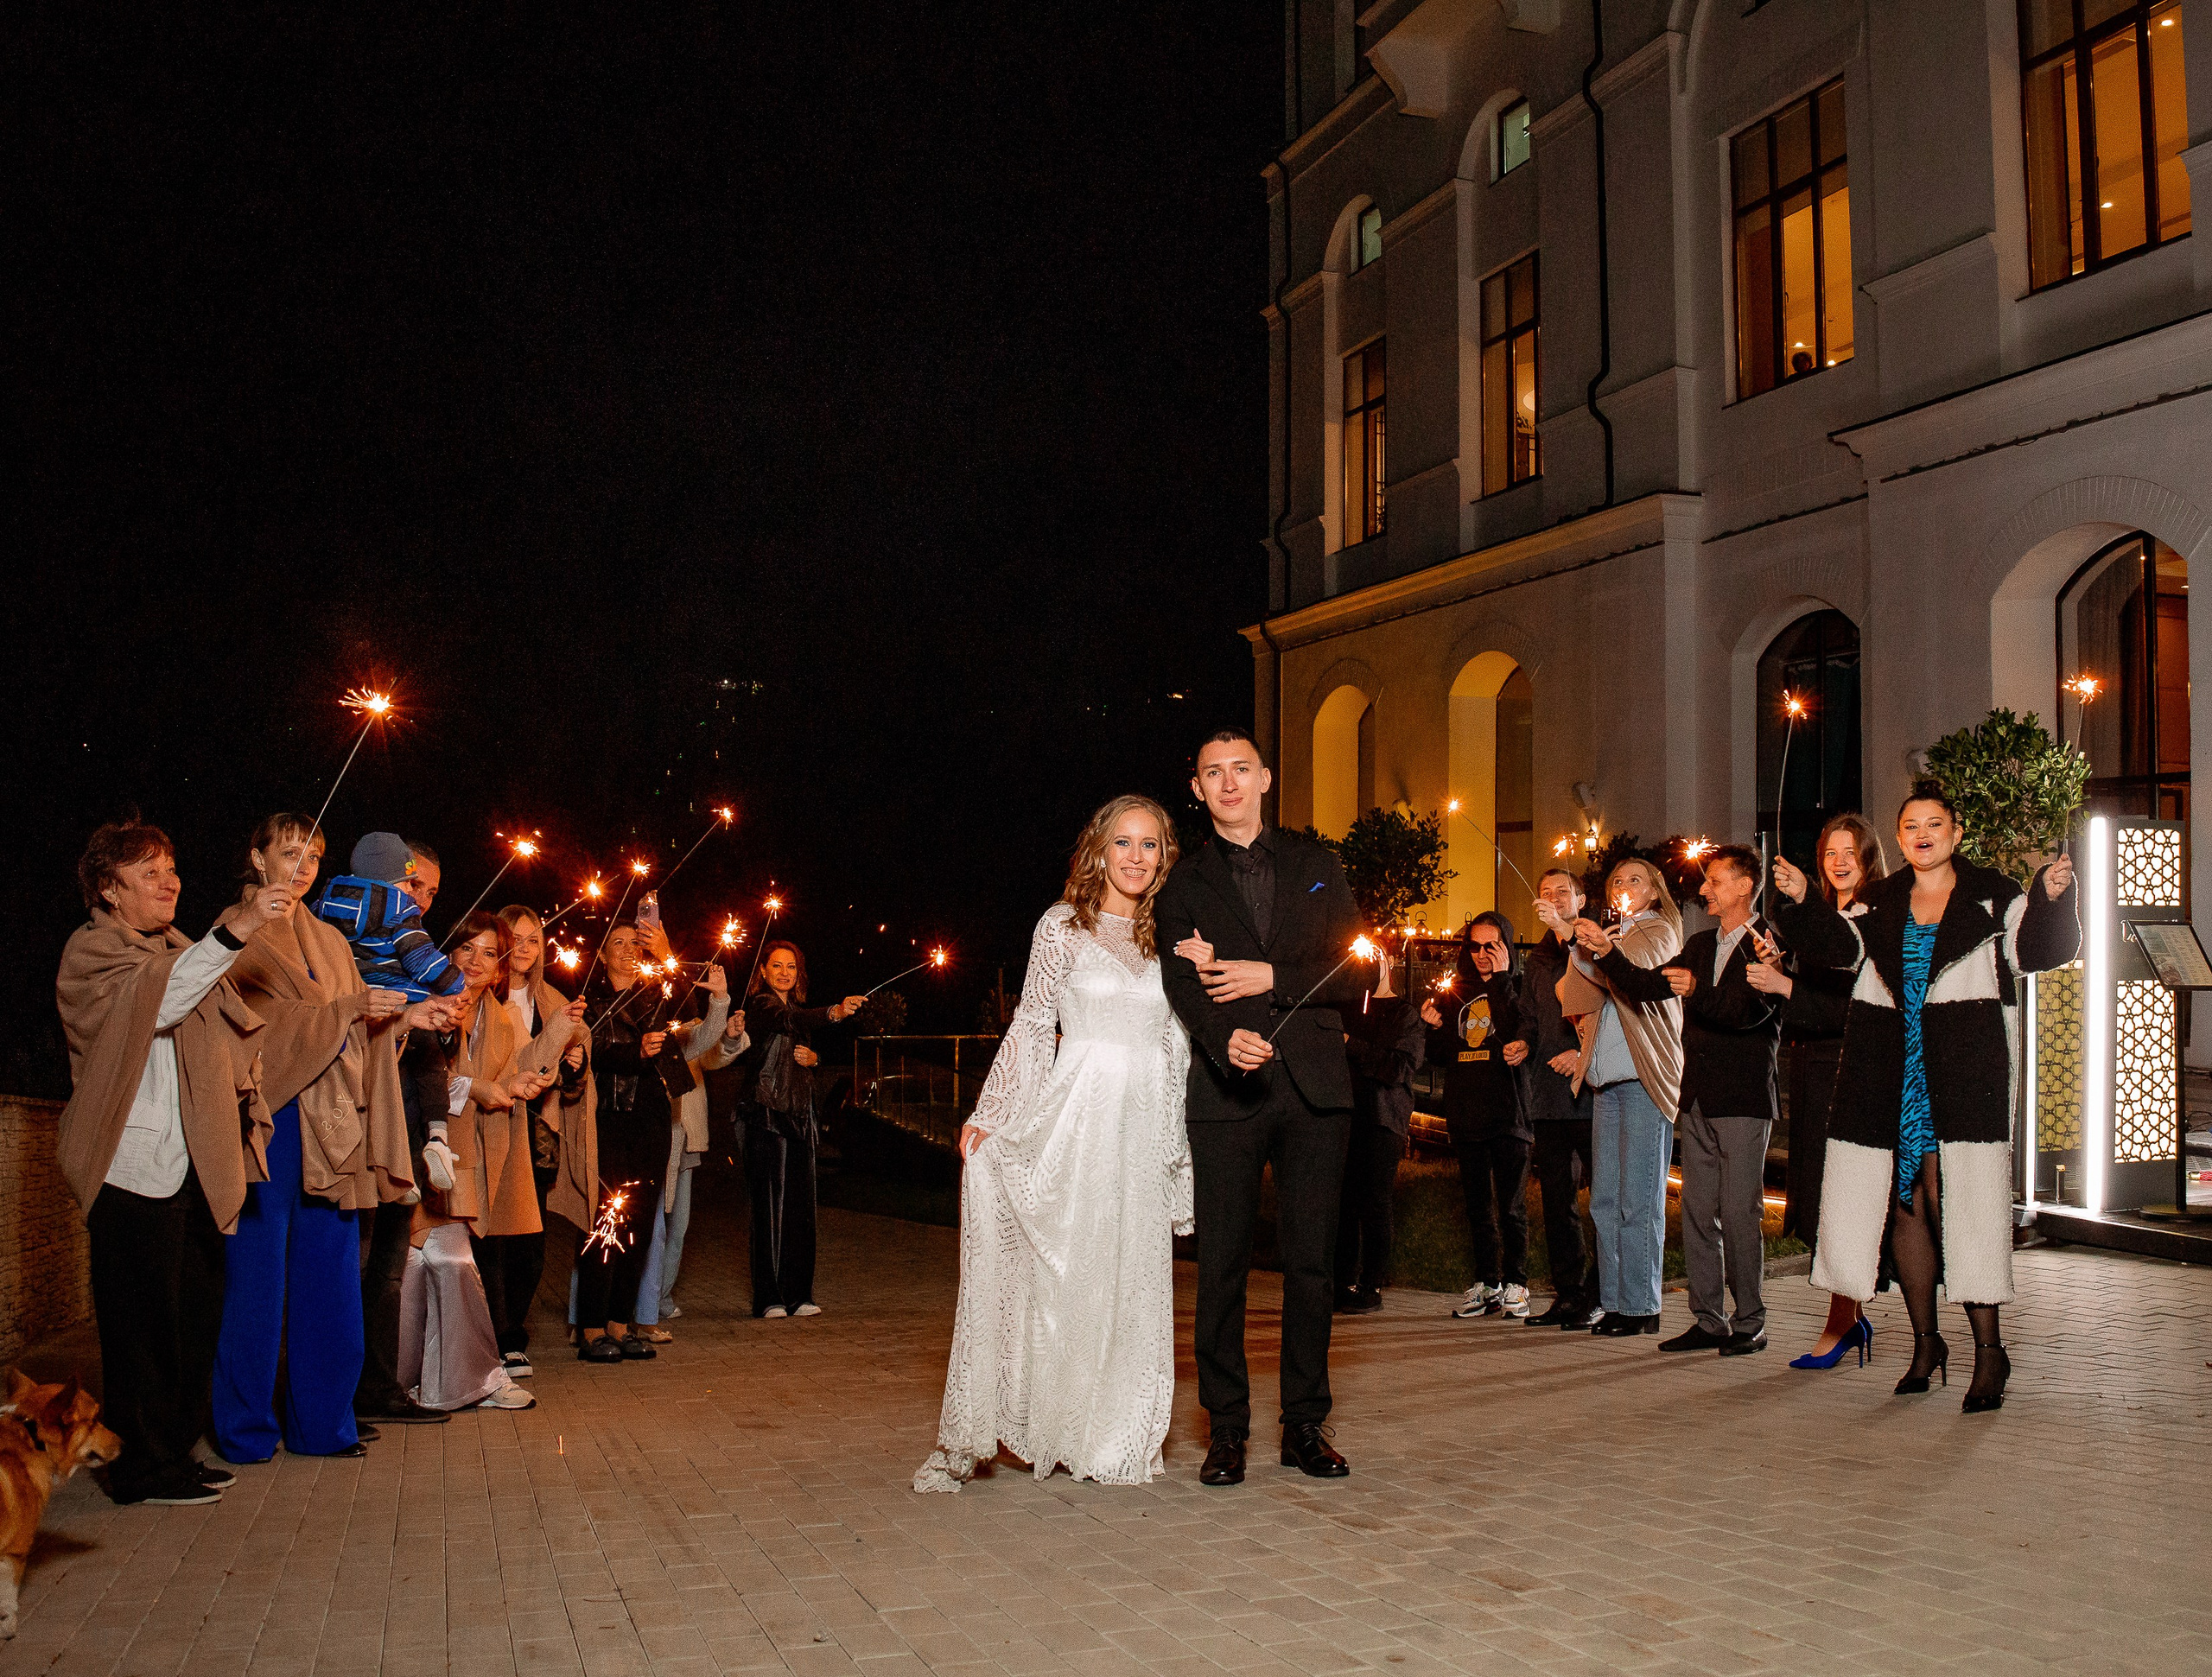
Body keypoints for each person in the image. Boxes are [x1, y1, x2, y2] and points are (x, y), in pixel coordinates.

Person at [915, 795, 1193, 1491]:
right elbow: (1035, 1025)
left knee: (1130, 1275)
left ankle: (1116, 1434)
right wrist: (994, 1111)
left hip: (1141, 1124)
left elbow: (1180, 1035)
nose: (1136, 856)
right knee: (1071, 1273)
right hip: (1078, 1116)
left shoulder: (1172, 935)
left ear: (1165, 857)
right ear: (1099, 848)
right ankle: (1058, 1423)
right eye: (1123, 841)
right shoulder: (1062, 925)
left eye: (1150, 844)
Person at [1774, 783, 2078, 1412]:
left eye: (1934, 823)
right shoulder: (1881, 898)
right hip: (1890, 1069)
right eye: (1911, 825)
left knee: (1959, 1202)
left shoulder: (1993, 893)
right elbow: (1839, 950)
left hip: (1962, 1072)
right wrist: (1804, 900)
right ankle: (1925, 1343)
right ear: (1900, 836)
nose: (1922, 834)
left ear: (1956, 833)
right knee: (1905, 1204)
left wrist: (2051, 899)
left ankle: (1989, 1352)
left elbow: (2034, 952)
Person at [54, 819, 291, 1505]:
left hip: (192, 1161)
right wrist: (239, 926)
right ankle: (137, 1469)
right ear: (109, 888)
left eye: (172, 868)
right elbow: (159, 998)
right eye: (150, 872)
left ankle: (175, 1453)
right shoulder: (93, 952)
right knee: (141, 1329)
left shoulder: (178, 947)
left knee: (193, 1318)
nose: (170, 882)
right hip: (129, 1168)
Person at [1154, 727, 1364, 1486]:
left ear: (1266, 778)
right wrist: (1222, 1040)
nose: (1228, 782)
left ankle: (1304, 1425)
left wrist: (1270, 977)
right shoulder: (1182, 883)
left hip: (1315, 1088)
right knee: (1222, 1266)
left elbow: (1355, 968)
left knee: (1312, 1265)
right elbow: (1181, 984)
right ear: (1198, 789)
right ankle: (1226, 1429)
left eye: (1240, 768)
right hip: (1226, 1092)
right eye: (1213, 772)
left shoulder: (1317, 864)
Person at [214, 815, 429, 1464]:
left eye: (314, 856)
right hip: (270, 1121)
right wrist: (345, 1012)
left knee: (331, 1277)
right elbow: (246, 1025)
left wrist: (407, 1017)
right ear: (258, 858)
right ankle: (245, 1431)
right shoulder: (236, 929)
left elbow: (355, 1023)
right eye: (290, 852)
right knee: (257, 1282)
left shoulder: (333, 940)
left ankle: (323, 1424)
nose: (304, 866)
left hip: (333, 1124)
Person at [1587, 847, 1781, 1356]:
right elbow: (1647, 986)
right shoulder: (1698, 944)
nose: (1704, 889)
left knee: (1739, 1214)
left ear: (1745, 885)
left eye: (1715, 880)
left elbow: (1748, 1012)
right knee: (1696, 1213)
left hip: (1742, 1099)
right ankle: (1708, 1320)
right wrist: (1604, 952)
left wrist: (1696, 990)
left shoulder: (1767, 943)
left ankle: (1750, 1321)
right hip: (1695, 1098)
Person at [1745, 814, 1885, 1369]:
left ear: (1869, 858)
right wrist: (1781, 966)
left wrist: (1786, 985)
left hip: (1853, 1067)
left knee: (1847, 1197)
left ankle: (1843, 1322)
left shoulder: (1873, 917)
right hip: (1815, 1067)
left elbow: (1856, 1006)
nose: (1839, 862)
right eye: (1830, 853)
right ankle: (1848, 1316)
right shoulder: (1827, 917)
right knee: (1825, 1195)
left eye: (1850, 852)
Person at [398, 912, 549, 1409]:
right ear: (448, 951)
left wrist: (511, 1085)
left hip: (466, 1156)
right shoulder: (426, 998)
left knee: (447, 1261)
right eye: (467, 949)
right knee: (432, 1262)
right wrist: (477, 1088)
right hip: (418, 1145)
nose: (477, 962)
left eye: (490, 954)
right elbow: (414, 1073)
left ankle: (452, 1379)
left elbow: (506, 1072)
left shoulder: (499, 1017)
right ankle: (439, 1379)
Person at [579, 921, 731, 1354]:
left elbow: (689, 1006)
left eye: (635, 943)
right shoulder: (590, 999)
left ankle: (619, 1322)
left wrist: (666, 951)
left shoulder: (655, 994)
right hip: (609, 1118)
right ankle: (591, 1326)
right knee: (606, 1220)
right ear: (602, 955)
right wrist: (635, 1052)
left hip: (652, 1118)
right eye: (618, 943)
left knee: (642, 1221)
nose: (628, 950)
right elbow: (589, 1052)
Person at [1564, 858, 1684, 1337]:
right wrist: (1574, 940)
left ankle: (1641, 1306)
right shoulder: (1612, 936)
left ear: (1654, 891)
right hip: (1606, 1082)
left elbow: (1631, 976)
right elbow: (1579, 994)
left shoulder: (1659, 931)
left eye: (1636, 879)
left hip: (1642, 1079)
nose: (1623, 885)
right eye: (1617, 880)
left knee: (1640, 1200)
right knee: (1605, 1201)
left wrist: (1597, 946)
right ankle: (1614, 1302)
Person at [482, 904, 590, 1378]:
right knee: (492, 1237)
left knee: (531, 1241)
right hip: (492, 1120)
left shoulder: (552, 999)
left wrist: (575, 1064)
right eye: (515, 938)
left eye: (532, 940)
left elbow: (570, 1070)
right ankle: (491, 1336)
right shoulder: (484, 993)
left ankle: (512, 1335)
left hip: (537, 1129)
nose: (523, 949)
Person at [739, 941, 863, 1319]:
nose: (784, 973)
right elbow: (791, 1022)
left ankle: (799, 1295)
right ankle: (768, 1298)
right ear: (763, 971)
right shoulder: (761, 1006)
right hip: (766, 1114)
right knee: (769, 1208)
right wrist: (835, 1012)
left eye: (791, 966)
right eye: (776, 966)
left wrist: (815, 1058)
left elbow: (801, 1042)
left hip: (799, 1115)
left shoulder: (796, 1009)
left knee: (801, 1206)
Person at [1424, 914, 1533, 1320]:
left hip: (1508, 1114)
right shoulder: (1455, 992)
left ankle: (1517, 1283)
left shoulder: (1519, 988)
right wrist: (1431, 1027)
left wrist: (1501, 981)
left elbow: (1518, 1031)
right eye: (1475, 945)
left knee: (1512, 1207)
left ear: (1507, 947)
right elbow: (1440, 1056)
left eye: (1492, 945)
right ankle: (1488, 1283)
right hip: (1466, 1114)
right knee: (1478, 1209)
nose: (1483, 954)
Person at [1522, 868, 1600, 1328]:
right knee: (1556, 1200)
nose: (1553, 899)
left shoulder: (1596, 945)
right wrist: (1522, 1042)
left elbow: (1609, 1009)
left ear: (1581, 900)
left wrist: (1582, 1054)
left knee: (1603, 1199)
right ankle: (1568, 1293)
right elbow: (1531, 1018)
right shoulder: (1537, 959)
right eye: (1545, 892)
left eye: (1563, 892)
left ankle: (1601, 1294)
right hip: (1549, 1096)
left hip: (1591, 1091)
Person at [1334, 958, 1424, 1314]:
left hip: (1383, 1119)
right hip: (1345, 1116)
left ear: (1389, 964)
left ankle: (1371, 1284)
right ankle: (1341, 1282)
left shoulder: (1405, 1014)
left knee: (1374, 1201)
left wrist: (1351, 1044)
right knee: (1343, 1202)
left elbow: (1399, 1067)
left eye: (1376, 958)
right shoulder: (1346, 1008)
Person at [312, 832, 465, 1004]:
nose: (421, 902)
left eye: (431, 893)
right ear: (384, 881)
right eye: (412, 883)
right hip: (392, 1002)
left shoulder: (326, 904)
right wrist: (455, 982)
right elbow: (421, 959)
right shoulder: (401, 911)